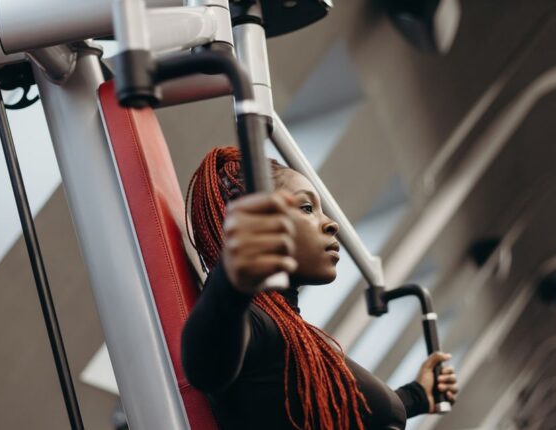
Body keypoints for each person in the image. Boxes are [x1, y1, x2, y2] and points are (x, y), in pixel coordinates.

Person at [182, 146, 459, 430]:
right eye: (307, 208)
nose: (331, 224)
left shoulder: (288, 333)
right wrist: (231, 277)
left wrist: (417, 396)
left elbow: (343, 409)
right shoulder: (251, 319)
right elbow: (206, 366)